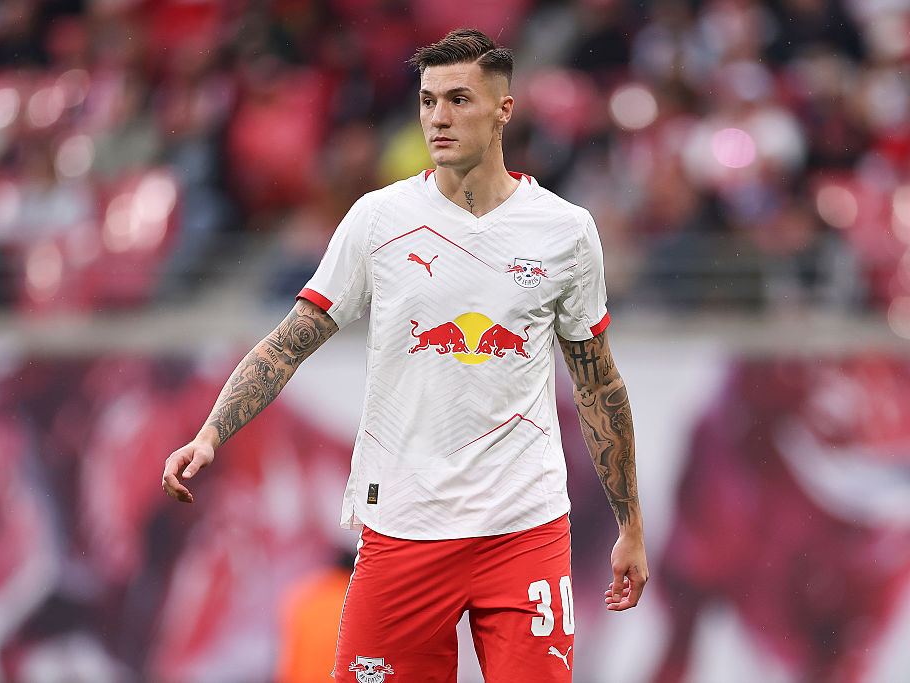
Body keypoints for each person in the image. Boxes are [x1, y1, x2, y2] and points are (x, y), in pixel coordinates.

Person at [162, 28, 648, 682]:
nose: (438, 117)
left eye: (458, 99)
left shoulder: (564, 231)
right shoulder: (378, 219)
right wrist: (212, 432)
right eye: (426, 101)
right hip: (403, 527)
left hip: (522, 529)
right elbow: (288, 341)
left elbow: (598, 385)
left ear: (504, 110)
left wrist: (630, 524)